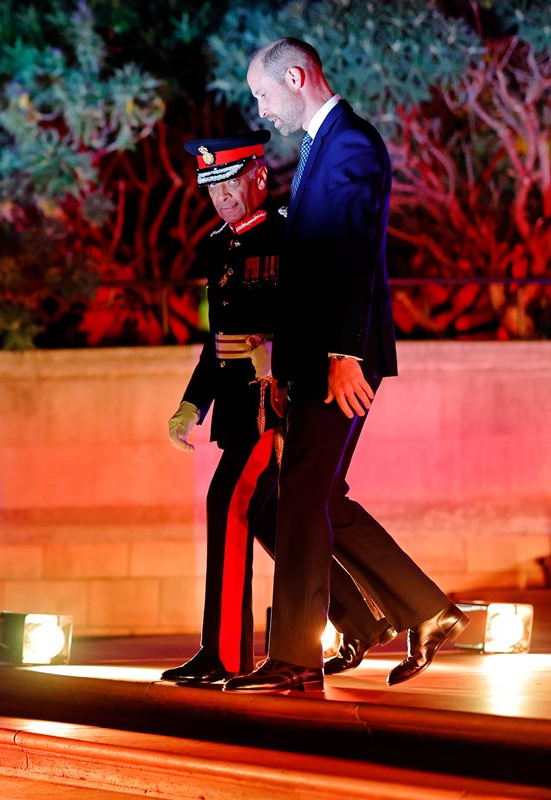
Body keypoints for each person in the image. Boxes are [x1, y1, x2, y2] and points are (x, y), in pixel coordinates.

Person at [225, 38, 467, 694]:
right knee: (310, 497)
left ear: (296, 78)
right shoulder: (318, 149)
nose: (261, 109)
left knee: (302, 498)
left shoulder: (350, 145)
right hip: (314, 357)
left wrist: (342, 356)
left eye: (264, 95)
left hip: (342, 357)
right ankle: (414, 612)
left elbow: (353, 256)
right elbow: (308, 268)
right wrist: (284, 362)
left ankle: (296, 661)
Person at [162, 131, 392, 686]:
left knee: (236, 506)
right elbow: (216, 344)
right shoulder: (220, 245)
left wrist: (271, 352)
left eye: (229, 183)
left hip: (275, 408)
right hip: (238, 414)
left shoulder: (289, 235)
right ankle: (355, 619)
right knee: (259, 517)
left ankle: (227, 654)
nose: (220, 197)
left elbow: (312, 314)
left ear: (258, 178)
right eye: (211, 187)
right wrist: (191, 405)